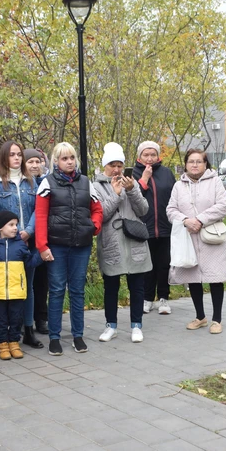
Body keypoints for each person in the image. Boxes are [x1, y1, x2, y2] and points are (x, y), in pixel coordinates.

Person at [35, 142, 103, 356]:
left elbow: (97, 208)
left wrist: (94, 226)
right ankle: (54, 338)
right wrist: (42, 246)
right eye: (64, 158)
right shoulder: (46, 183)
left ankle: (78, 336)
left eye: (72, 157)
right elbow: (40, 216)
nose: (69, 161)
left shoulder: (85, 182)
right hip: (56, 246)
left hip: (80, 246)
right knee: (55, 291)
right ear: (56, 161)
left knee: (77, 291)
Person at [0, 141, 42, 349]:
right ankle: (6, 334)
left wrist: (28, 231)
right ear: (4, 158)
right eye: (12, 155)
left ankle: (28, 329)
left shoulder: (31, 182)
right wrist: (11, 230)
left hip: (27, 240)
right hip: (3, 244)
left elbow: (39, 209)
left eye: (19, 154)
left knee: (27, 287)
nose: (17, 158)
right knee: (6, 288)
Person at [166, 149, 226, 334]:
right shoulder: (179, 186)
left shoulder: (215, 181)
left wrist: (200, 220)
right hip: (189, 237)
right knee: (193, 277)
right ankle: (200, 316)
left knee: (215, 278)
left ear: (205, 164)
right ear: (185, 164)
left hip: (211, 237)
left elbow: (222, 206)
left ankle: (216, 319)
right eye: (191, 161)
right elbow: (171, 210)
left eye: (199, 161)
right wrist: (186, 220)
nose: (194, 165)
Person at [94, 143, 151, 343]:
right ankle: (111, 326)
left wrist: (132, 190)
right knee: (111, 287)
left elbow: (143, 210)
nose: (116, 170)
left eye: (119, 165)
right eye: (112, 165)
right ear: (104, 166)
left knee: (137, 286)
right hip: (111, 243)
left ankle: (136, 325)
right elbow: (101, 215)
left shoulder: (130, 182)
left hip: (134, 241)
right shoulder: (96, 186)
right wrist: (116, 194)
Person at [0, 211, 41, 360]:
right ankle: (2, 344)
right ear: (1, 227)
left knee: (16, 318)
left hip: (17, 291)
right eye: (11, 225)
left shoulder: (20, 245)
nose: (16, 228)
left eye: (16, 224)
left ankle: (14, 343)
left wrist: (41, 254)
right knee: (0, 320)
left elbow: (30, 263)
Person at [133, 140, 177, 315]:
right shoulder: (133, 173)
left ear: (158, 156)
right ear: (139, 156)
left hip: (166, 227)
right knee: (147, 266)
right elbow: (133, 196)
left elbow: (175, 196)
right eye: (146, 154)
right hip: (143, 227)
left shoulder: (166, 173)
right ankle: (147, 299)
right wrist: (144, 179)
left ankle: (164, 298)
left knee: (164, 264)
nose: (149, 158)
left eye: (153, 154)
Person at [25, 149, 50, 334]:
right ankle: (23, 321)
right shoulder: (22, 183)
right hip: (24, 235)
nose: (35, 165)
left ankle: (41, 318)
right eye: (30, 161)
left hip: (43, 237)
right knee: (25, 282)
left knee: (42, 281)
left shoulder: (47, 181)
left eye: (38, 161)